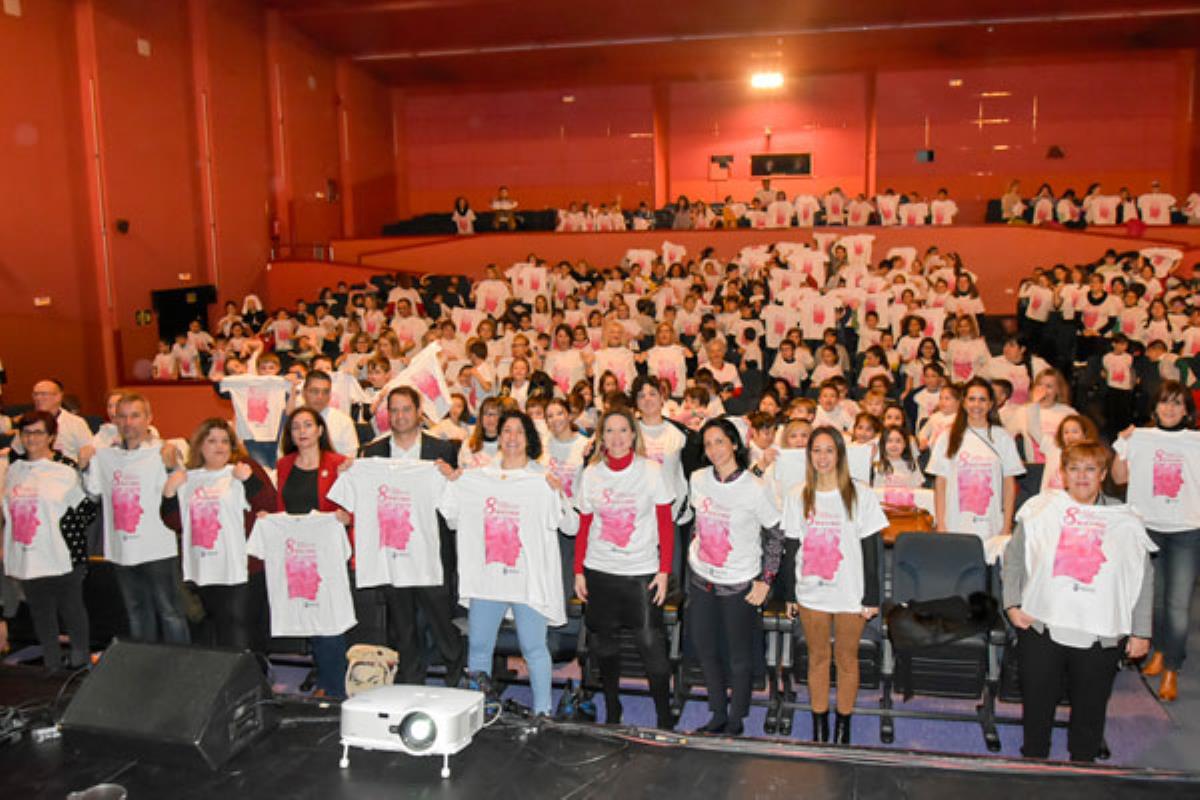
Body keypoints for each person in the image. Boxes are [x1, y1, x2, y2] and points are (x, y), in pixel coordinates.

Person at [1003, 442, 1154, 762]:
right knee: (1038, 700)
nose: (1082, 476)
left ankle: (1084, 766)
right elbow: (1014, 558)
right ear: (1063, 474)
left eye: (1090, 469)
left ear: (1102, 474)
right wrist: (1012, 604)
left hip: (1100, 632)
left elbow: (1142, 575)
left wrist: (1141, 631)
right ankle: (1034, 759)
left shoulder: (1124, 519)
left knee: (1091, 703)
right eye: (1074, 468)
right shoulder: (1041, 509)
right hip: (1043, 625)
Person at [438, 410, 567, 716]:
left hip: (527, 578)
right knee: (480, 647)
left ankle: (542, 713)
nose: (512, 437)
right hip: (489, 577)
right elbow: (452, 517)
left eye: (519, 432)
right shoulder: (478, 477)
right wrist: (455, 483)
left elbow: (568, 524)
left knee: (534, 648)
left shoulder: (541, 479)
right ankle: (478, 710)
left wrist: (557, 493)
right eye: (507, 431)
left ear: (530, 439)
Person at [341, 386, 465, 685]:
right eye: (393, 410)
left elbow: (454, 503)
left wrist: (452, 478)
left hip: (430, 554)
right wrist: (348, 472)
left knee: (441, 622)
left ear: (419, 412)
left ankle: (457, 676)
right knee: (403, 625)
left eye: (405, 409)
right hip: (393, 554)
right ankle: (411, 683)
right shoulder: (373, 452)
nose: (399, 416)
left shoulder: (442, 450)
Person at [783, 426, 887, 744]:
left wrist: (872, 596)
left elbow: (872, 549)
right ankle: (819, 724)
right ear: (808, 455)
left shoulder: (861, 494)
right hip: (811, 591)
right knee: (816, 658)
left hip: (850, 592)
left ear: (840, 454)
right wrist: (789, 593)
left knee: (846, 658)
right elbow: (790, 545)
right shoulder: (797, 494)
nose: (823, 457)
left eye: (830, 450)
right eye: (816, 450)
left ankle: (843, 723)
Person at [573, 407, 676, 729]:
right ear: (601, 437)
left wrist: (663, 571)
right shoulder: (591, 474)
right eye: (609, 431)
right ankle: (613, 709)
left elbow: (665, 523)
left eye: (623, 431)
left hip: (640, 572)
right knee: (606, 647)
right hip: (600, 571)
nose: (616, 438)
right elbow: (584, 525)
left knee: (651, 647)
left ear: (633, 435)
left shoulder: (650, 470)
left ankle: (663, 714)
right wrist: (578, 571)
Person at [687, 419, 783, 734]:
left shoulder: (755, 488)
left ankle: (736, 718)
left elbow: (776, 535)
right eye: (708, 443)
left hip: (739, 582)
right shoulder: (698, 478)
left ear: (734, 444)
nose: (714, 449)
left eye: (720, 441)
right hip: (702, 578)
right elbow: (696, 523)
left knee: (739, 655)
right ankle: (717, 712)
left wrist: (765, 579)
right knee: (706, 648)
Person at [1111, 381, 1200, 701]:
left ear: (1187, 411)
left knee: (1177, 604)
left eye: (1178, 403)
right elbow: (1120, 478)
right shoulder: (1141, 438)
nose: (1170, 409)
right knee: (1155, 600)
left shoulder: (1196, 442)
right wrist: (1121, 446)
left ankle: (1172, 668)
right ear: (1155, 407)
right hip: (1147, 528)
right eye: (1165, 402)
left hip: (1188, 530)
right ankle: (1160, 651)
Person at [81, 393, 190, 644]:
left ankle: (181, 670)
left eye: (135, 415)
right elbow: (94, 494)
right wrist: (87, 466)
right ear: (114, 420)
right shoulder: (105, 456)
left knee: (170, 612)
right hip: (122, 550)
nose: (128, 422)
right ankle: (146, 669)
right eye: (122, 416)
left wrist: (172, 467)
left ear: (149, 418)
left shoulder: (164, 451)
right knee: (136, 612)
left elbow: (182, 491)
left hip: (158, 548)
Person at [161, 418, 277, 651]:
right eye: (212, 440)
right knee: (220, 627)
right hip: (207, 568)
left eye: (225, 441)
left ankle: (253, 680)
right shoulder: (190, 478)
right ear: (200, 446)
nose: (220, 446)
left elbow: (270, 505)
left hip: (244, 567)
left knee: (242, 629)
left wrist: (249, 480)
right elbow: (176, 523)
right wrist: (169, 494)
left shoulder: (242, 469)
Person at [3, 411, 97, 670]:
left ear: (52, 436)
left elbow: (85, 511)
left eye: (38, 432)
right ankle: (52, 666)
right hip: (28, 555)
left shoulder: (64, 469)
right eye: (26, 432)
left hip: (63, 554)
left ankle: (81, 663)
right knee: (41, 613)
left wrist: (69, 546)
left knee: (72, 610)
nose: (31, 438)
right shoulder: (13, 470)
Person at [273, 407, 353, 697]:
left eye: (308, 425)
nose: (302, 431)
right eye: (296, 427)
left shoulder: (339, 463)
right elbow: (281, 508)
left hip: (329, 555)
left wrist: (347, 516)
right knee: (310, 617)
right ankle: (325, 681)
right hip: (298, 556)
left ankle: (334, 689)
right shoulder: (284, 465)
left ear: (320, 430)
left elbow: (355, 505)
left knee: (329, 622)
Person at [927, 378, 1025, 542]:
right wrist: (941, 523)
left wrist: (1007, 526)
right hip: (955, 523)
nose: (976, 405)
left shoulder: (1002, 437)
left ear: (990, 404)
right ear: (964, 403)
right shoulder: (948, 437)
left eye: (982, 399)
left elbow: (1009, 484)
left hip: (992, 524)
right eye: (971, 399)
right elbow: (940, 483)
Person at [11, 380, 94, 460]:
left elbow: (89, 451)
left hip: (67, 470)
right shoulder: (28, 422)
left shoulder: (76, 423)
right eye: (35, 394)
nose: (38, 398)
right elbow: (17, 451)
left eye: (43, 394)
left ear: (58, 397)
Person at [295, 371, 360, 457]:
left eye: (325, 392)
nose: (320, 397)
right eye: (315, 391)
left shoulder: (344, 421)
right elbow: (283, 455)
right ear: (303, 393)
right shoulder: (293, 420)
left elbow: (351, 457)